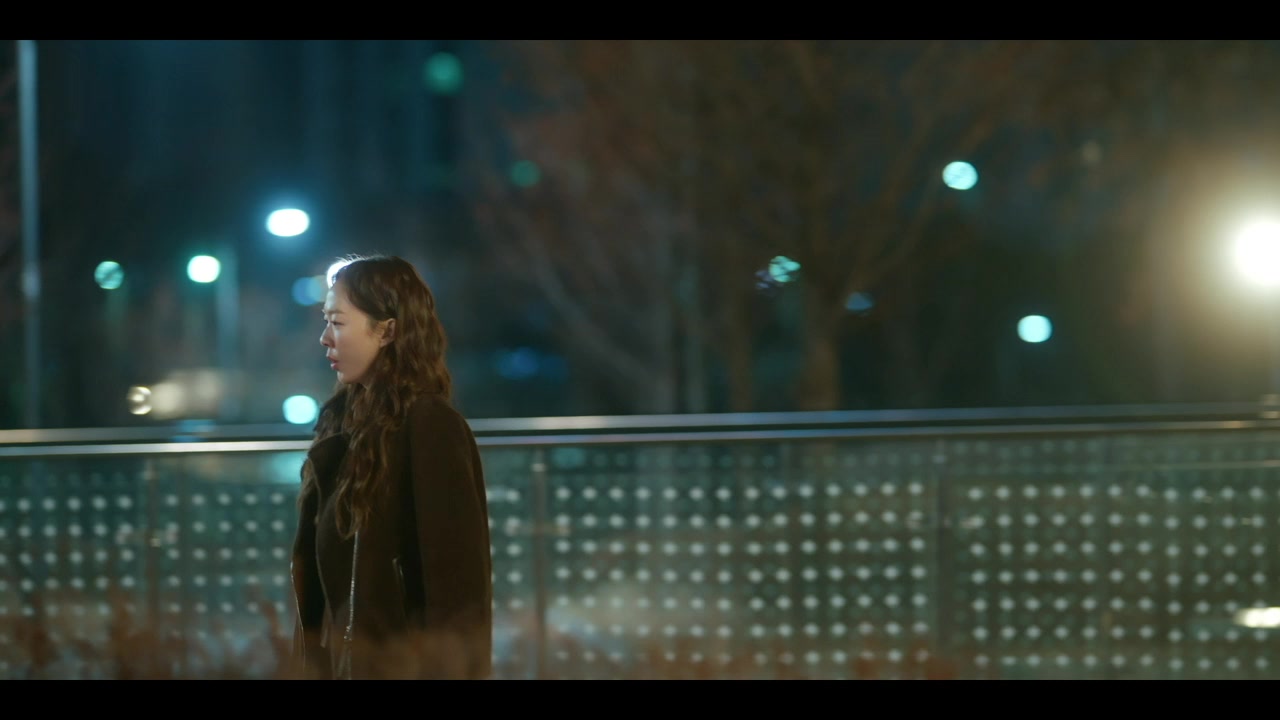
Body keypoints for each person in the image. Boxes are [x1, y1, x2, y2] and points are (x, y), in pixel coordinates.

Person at [290, 254, 492, 680]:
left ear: (388, 330)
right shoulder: (343, 426)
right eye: (326, 322)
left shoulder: (429, 424)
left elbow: (457, 590)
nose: (325, 338)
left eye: (338, 322)